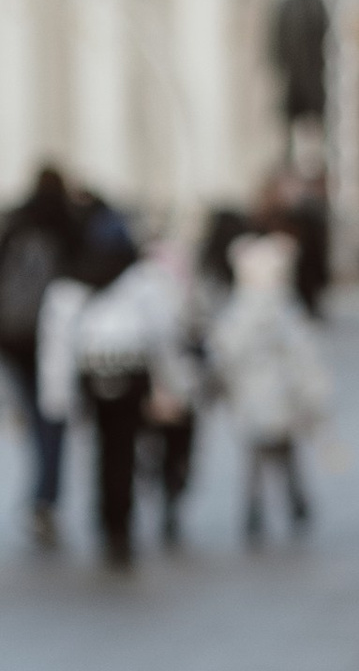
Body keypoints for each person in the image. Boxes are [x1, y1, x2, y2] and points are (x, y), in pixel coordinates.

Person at [52, 224, 196, 571]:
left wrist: (56, 397)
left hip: (94, 376)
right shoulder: (143, 282)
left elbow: (57, 343)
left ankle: (109, 518)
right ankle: (119, 522)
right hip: (130, 375)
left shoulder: (71, 285)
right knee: (122, 449)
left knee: (104, 449)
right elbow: (163, 338)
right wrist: (176, 385)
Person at [210, 227, 330, 539]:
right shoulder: (287, 313)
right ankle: (292, 503)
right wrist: (314, 396)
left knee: (257, 461)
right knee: (284, 455)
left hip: (253, 400)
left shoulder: (239, 314)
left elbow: (224, 354)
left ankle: (257, 509)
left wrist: (221, 387)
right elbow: (305, 356)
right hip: (282, 398)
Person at [0, 164, 83, 548]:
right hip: (54, 335)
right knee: (52, 416)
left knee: (36, 417)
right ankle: (45, 497)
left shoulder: (16, 221)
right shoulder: (68, 220)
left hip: (13, 335)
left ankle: (41, 493)